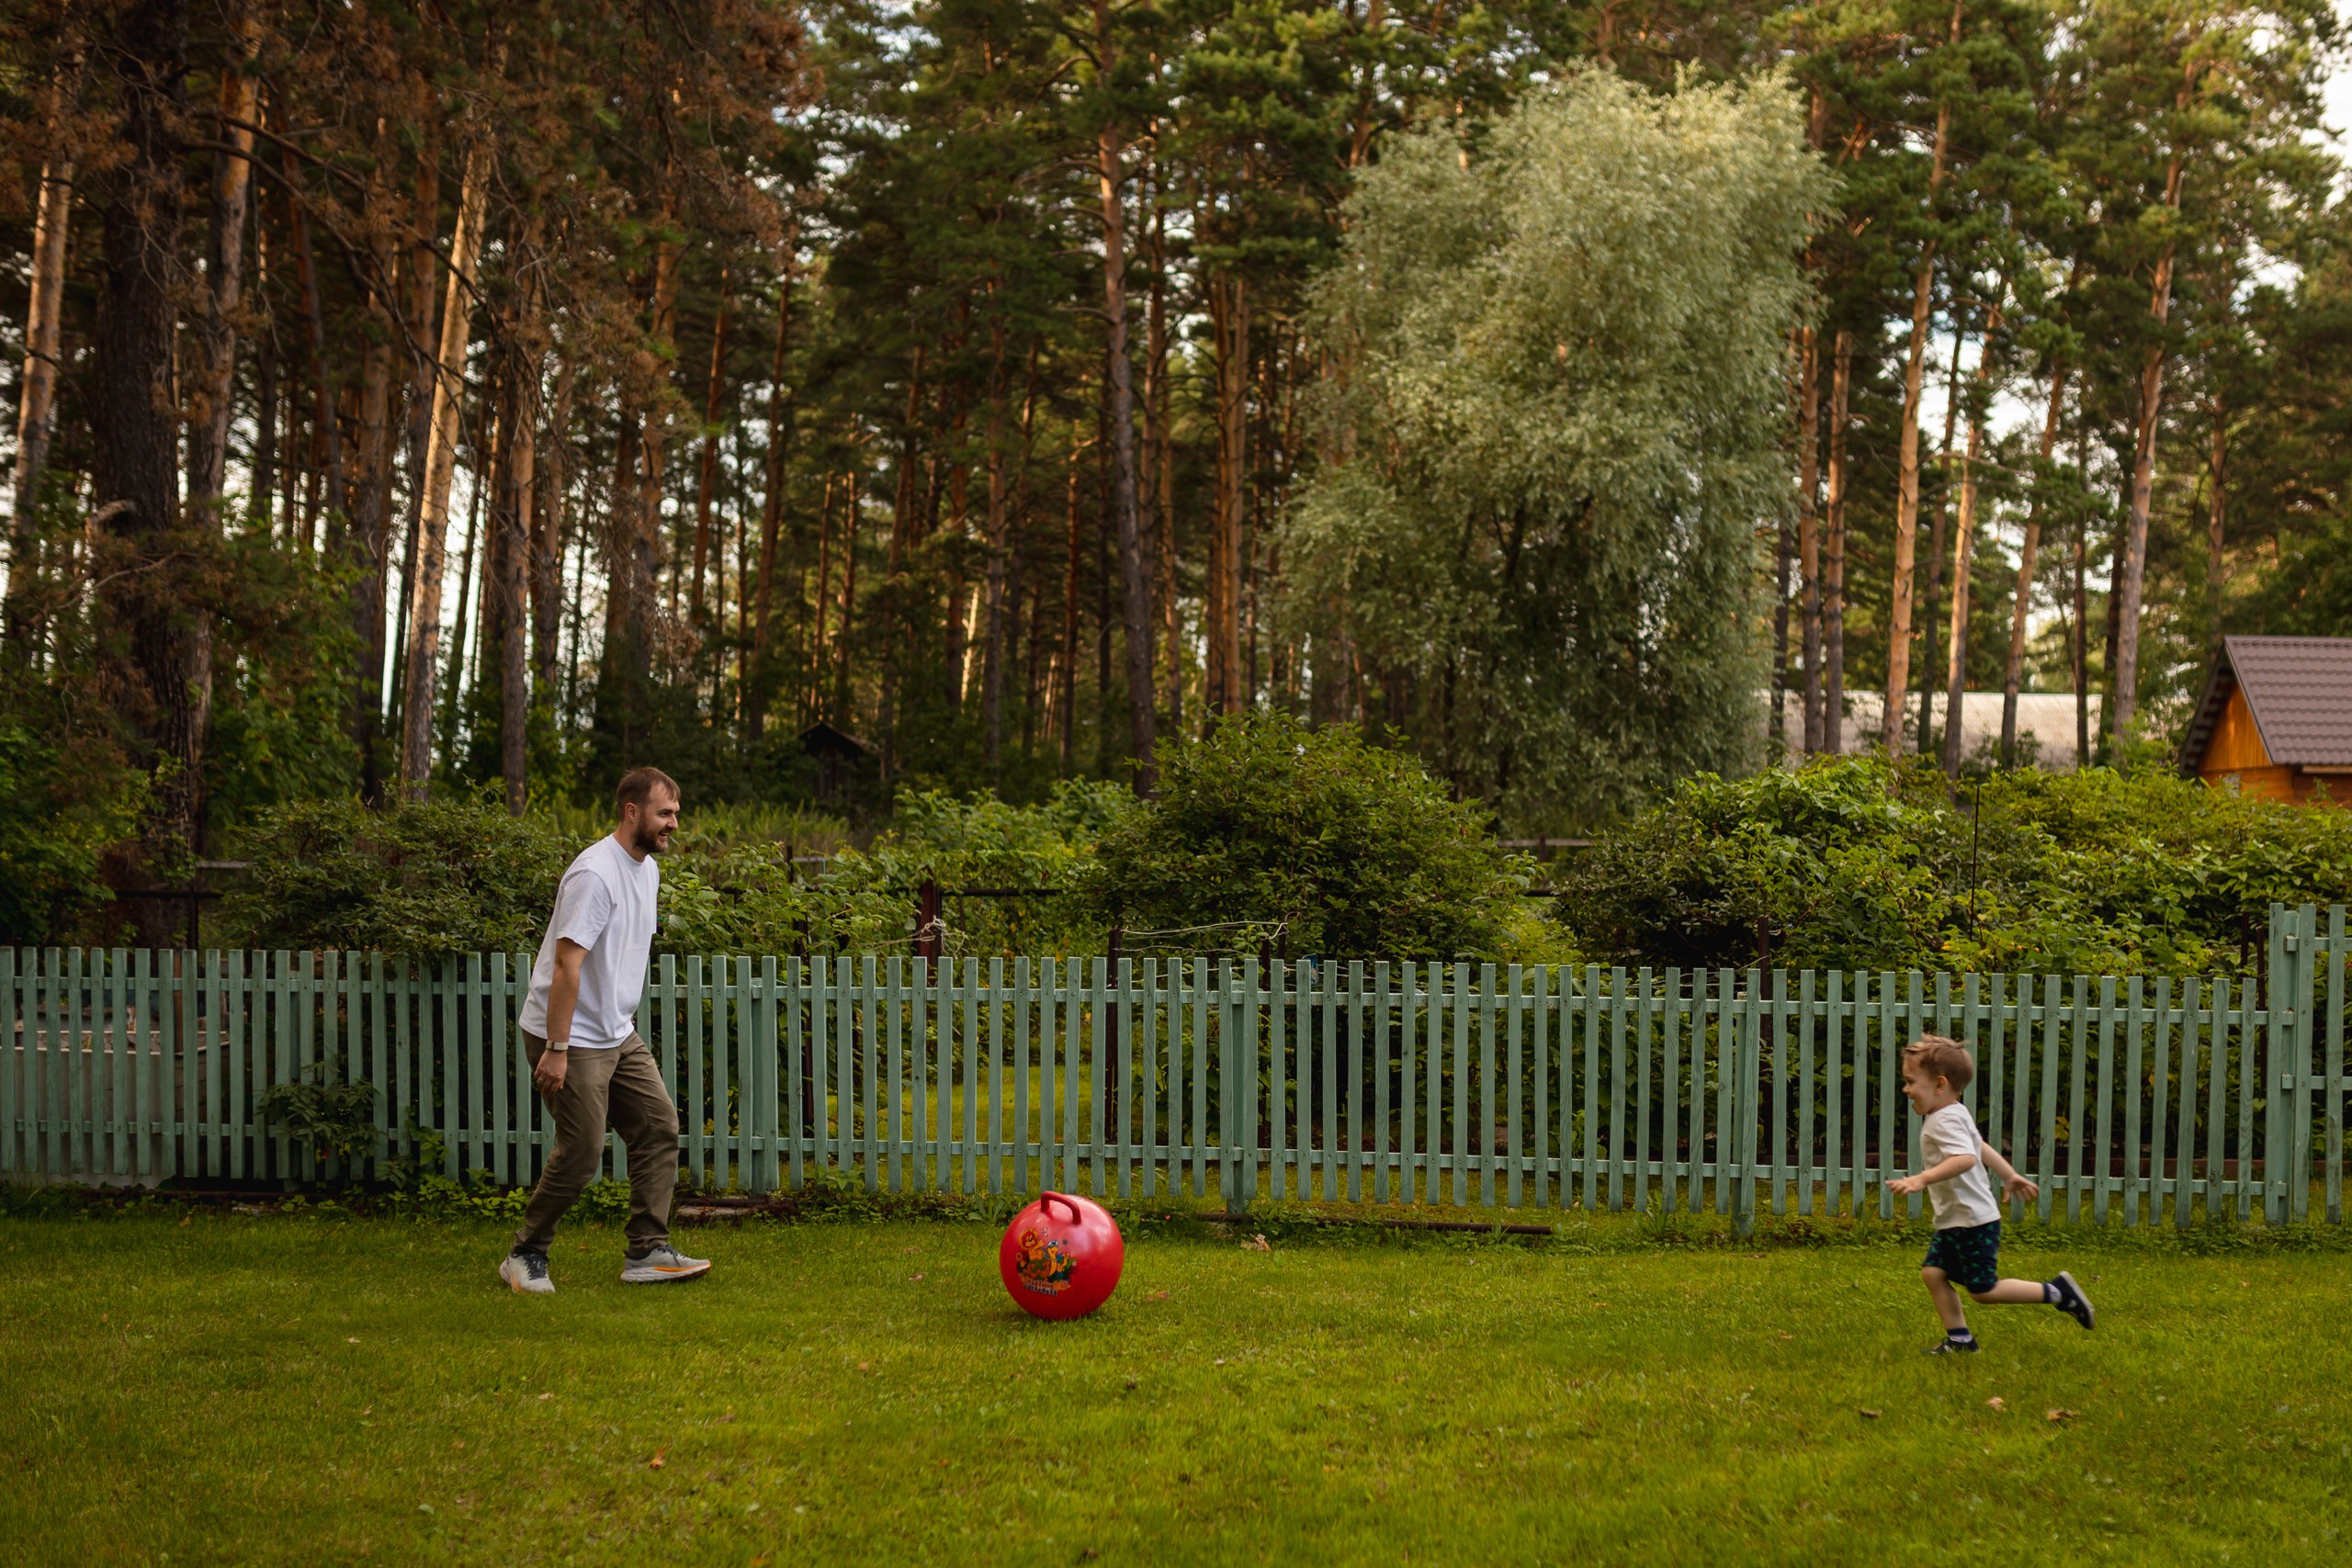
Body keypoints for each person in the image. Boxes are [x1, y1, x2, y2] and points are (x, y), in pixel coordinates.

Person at [498, 766, 710, 1293]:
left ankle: (647, 1250)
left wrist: (619, 1020)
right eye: (665, 813)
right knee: (582, 1151)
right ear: (632, 812)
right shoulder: (595, 874)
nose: (673, 824)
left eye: (676, 814)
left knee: (658, 1127)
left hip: (616, 1031)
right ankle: (526, 1253)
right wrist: (556, 1048)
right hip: (569, 1035)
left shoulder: (647, 870)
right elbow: (566, 966)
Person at [1886, 1034, 2093, 1354]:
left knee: (1983, 1291)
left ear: (1939, 1084)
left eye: (1911, 1082)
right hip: (1956, 1219)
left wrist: (1921, 1179)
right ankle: (1961, 1340)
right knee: (1933, 1273)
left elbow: (1966, 1158)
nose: (1906, 1089)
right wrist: (2008, 1174)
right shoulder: (1953, 1111)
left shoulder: (1945, 1120)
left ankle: (2058, 1292)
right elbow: (1979, 1146)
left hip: (1972, 1222)